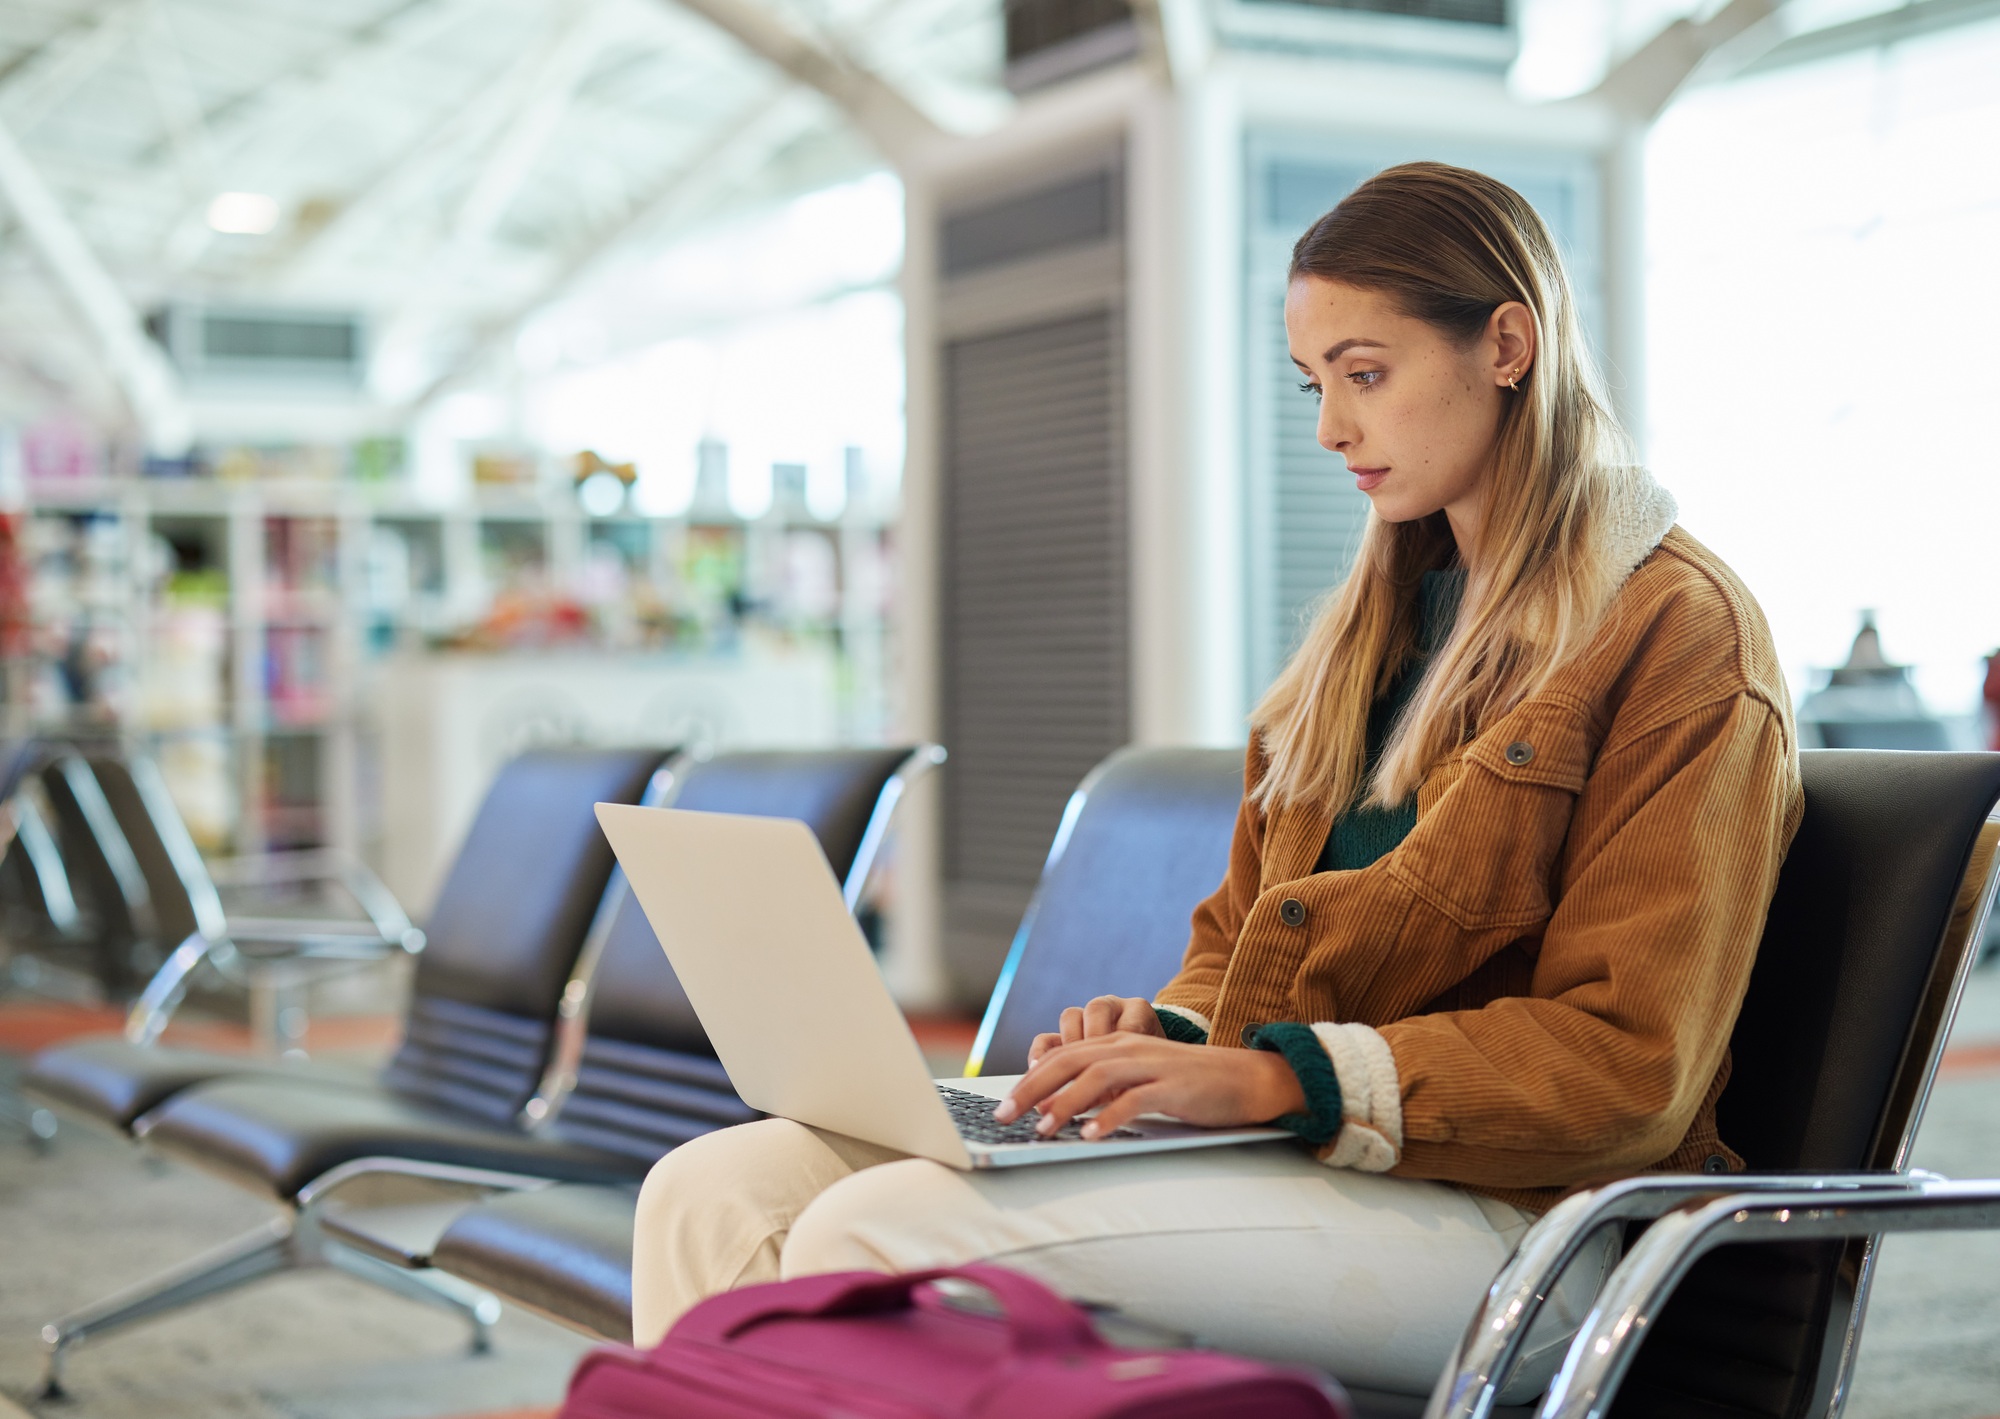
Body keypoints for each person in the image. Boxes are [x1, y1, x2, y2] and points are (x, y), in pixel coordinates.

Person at [629, 161, 1800, 1401]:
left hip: (1526, 1230)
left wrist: (1276, 1077)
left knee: (880, 1232)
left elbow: (1624, 1062)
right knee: (713, 1188)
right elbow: (1238, 938)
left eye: (1363, 373)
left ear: (1505, 344)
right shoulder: (1362, 644)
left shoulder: (1677, 638)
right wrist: (1169, 1034)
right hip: (1306, 1166)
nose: (1329, 431)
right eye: (1315, 384)